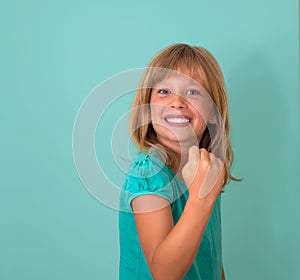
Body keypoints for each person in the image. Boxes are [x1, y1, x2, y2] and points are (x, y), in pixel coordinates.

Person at [119, 43, 238, 280]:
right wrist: (201, 198)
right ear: (147, 108)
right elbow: (164, 272)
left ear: (214, 112)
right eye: (164, 92)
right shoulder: (149, 173)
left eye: (193, 92)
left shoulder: (205, 168)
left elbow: (210, 257)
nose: (177, 102)